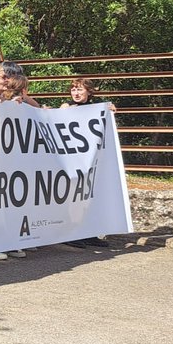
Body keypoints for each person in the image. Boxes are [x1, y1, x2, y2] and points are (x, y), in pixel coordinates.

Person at [61, 79, 114, 248]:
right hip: (72, 160)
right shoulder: (66, 107)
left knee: (90, 196)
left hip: (91, 160)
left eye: (79, 90)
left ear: (89, 92)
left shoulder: (97, 108)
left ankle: (89, 232)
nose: (76, 93)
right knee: (74, 198)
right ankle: (72, 233)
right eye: (73, 90)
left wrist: (110, 111)